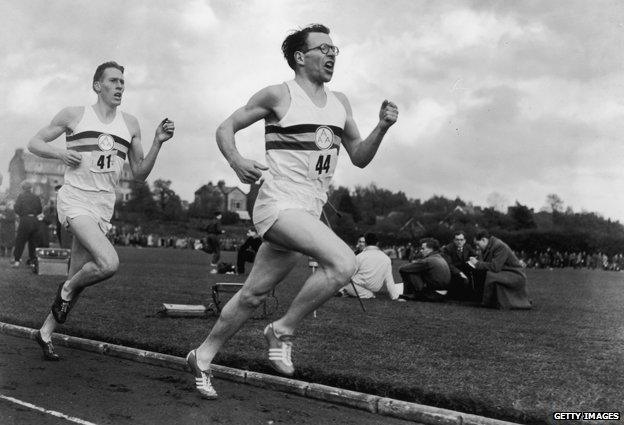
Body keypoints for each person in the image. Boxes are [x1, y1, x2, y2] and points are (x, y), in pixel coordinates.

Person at [186, 24, 398, 399]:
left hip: (307, 212)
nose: (333, 54)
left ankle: (202, 357)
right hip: (277, 204)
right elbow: (225, 127)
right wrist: (236, 161)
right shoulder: (278, 95)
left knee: (253, 296)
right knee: (344, 264)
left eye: (336, 48)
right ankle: (281, 330)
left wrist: (381, 127)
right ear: (301, 57)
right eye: (324, 48)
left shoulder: (340, 103)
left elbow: (360, 157)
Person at [27, 61, 175, 361]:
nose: (120, 86)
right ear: (98, 85)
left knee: (78, 278)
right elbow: (34, 142)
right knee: (108, 263)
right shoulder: (75, 115)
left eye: (123, 81)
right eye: (114, 81)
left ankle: (44, 332)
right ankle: (65, 290)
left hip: (103, 204)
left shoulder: (130, 124)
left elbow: (140, 173)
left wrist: (159, 142)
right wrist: (60, 152)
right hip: (75, 199)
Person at [468, 230, 532, 310]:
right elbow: (489, 264)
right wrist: (476, 262)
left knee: (490, 276)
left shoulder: (499, 246)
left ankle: (487, 301)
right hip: (505, 272)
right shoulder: (490, 245)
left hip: (515, 274)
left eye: (477, 244)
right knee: (484, 273)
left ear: (484, 240)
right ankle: (482, 300)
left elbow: (495, 267)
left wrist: (477, 264)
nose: (477, 247)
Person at [339, 232, 401, 300]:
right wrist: (395, 297)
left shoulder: (359, 257)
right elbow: (389, 281)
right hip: (364, 288)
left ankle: (342, 291)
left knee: (368, 294)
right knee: (369, 294)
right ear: (377, 243)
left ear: (365, 243)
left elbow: (349, 275)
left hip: (357, 287)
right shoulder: (386, 259)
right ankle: (342, 291)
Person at [398, 237, 450, 302]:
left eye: (423, 249)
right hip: (444, 294)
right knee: (414, 270)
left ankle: (407, 295)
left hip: (433, 295)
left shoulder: (428, 260)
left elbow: (402, 268)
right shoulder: (440, 258)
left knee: (408, 271)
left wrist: (415, 264)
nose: (421, 251)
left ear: (431, 249)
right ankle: (410, 294)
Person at [12, 181, 43, 268]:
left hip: (25, 220)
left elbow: (16, 208)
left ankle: (17, 261)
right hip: (34, 220)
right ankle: (32, 262)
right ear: (31, 188)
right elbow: (40, 210)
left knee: (20, 241)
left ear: (23, 188)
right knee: (33, 242)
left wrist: (22, 214)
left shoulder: (21, 196)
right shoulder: (36, 197)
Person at [440, 230, 478, 301]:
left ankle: (471, 297)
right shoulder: (448, 248)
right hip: (453, 271)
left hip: (466, 269)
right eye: (457, 240)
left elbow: (475, 255)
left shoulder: (467, 247)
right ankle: (457, 297)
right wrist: (459, 273)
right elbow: (449, 264)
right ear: (454, 240)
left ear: (465, 240)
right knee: (463, 280)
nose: (459, 242)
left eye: (461, 240)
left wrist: (472, 259)